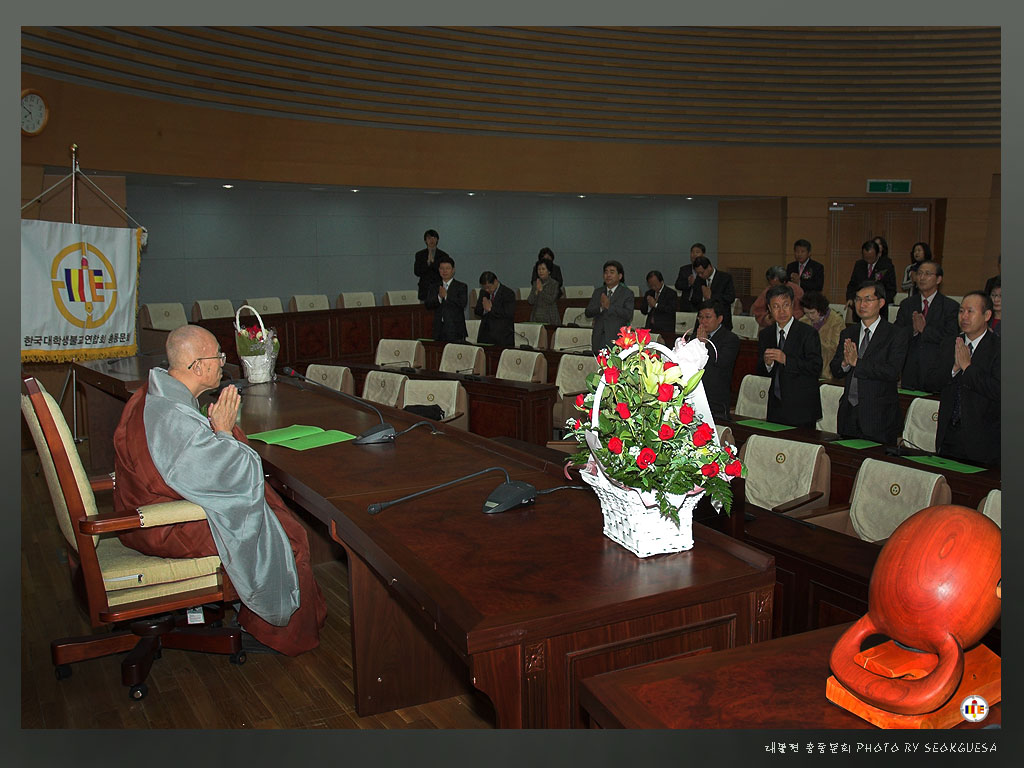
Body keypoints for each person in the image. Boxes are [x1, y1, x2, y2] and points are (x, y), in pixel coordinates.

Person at [112, 325, 326, 656]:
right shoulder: (171, 415)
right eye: (218, 356)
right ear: (197, 366)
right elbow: (233, 478)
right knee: (289, 534)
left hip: (144, 512)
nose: (223, 363)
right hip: (161, 525)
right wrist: (224, 432)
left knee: (275, 515)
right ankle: (274, 633)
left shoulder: (154, 393)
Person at [829, 281, 910, 445]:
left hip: (879, 416)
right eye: (858, 299)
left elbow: (892, 371)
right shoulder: (848, 332)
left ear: (880, 303)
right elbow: (835, 370)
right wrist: (845, 363)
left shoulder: (895, 334)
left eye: (867, 300)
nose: (861, 304)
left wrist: (857, 363)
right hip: (849, 412)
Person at [926, 292, 1000, 467]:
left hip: (983, 439)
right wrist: (954, 369)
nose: (964, 317)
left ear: (987, 315)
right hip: (948, 433)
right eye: (961, 311)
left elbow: (998, 390)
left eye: (970, 311)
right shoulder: (949, 343)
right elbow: (930, 382)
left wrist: (968, 368)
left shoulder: (998, 349)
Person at [756, 284, 822, 429]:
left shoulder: (807, 333)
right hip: (776, 406)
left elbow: (815, 367)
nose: (782, 311)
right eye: (776, 306)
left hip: (802, 407)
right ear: (769, 309)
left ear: (793, 305)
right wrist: (768, 364)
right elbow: (760, 369)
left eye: (786, 305)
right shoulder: (766, 334)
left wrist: (786, 360)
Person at [893, 260, 959, 391]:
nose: (922, 277)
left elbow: (951, 339)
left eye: (927, 274)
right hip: (910, 371)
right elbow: (896, 334)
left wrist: (925, 330)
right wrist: (913, 329)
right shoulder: (907, 304)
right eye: (919, 273)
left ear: (939, 279)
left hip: (936, 371)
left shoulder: (950, 307)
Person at [694, 299, 739, 422]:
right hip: (696, 395)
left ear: (719, 319)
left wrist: (704, 344)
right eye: (700, 317)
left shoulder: (730, 339)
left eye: (708, 317)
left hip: (717, 399)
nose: (703, 321)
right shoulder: (695, 337)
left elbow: (721, 361)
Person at [585, 260, 635, 354]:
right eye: (606, 272)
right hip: (598, 338)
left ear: (620, 276)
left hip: (617, 339)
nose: (608, 275)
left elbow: (628, 315)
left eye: (612, 272)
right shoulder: (598, 292)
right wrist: (601, 308)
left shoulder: (627, 293)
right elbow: (588, 313)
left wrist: (609, 306)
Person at [799, 291, 845, 380]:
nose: (810, 316)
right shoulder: (803, 321)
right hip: (807, 369)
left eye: (812, 313)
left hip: (828, 370)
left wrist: (815, 341)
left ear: (821, 309)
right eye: (806, 313)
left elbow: (836, 348)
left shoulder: (836, 321)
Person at [685, 255, 735, 329]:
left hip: (721, 321)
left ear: (709, 267)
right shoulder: (699, 279)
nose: (700, 275)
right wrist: (703, 298)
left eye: (702, 272)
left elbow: (730, 298)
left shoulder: (725, 278)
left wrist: (711, 296)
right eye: (698, 273)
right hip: (702, 322)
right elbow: (694, 300)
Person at [426, 255, 468, 342]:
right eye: (442, 268)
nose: (444, 271)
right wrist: (439, 297)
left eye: (447, 268)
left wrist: (446, 296)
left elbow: (462, 304)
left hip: (456, 329)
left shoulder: (461, 286)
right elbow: (428, 304)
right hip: (439, 329)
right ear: (439, 270)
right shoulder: (434, 286)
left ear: (453, 270)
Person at [846, 239, 897, 307]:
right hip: (860, 304)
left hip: (879, 307)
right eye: (866, 258)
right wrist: (850, 298)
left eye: (871, 258)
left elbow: (891, 289)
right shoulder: (859, 265)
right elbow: (852, 284)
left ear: (878, 254)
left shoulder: (886, 266)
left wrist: (879, 302)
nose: (868, 261)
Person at [474, 270, 516, 347]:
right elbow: (477, 311)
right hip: (485, 335)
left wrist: (491, 309)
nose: (487, 290)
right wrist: (485, 310)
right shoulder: (483, 292)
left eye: (489, 287)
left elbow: (508, 313)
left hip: (502, 337)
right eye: (484, 287)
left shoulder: (508, 293)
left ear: (496, 281)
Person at [414, 228, 449, 302]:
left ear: (437, 240)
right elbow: (417, 272)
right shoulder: (419, 255)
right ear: (425, 240)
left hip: (438, 288)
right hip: (424, 289)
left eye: (434, 238)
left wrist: (432, 263)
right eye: (429, 238)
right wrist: (428, 263)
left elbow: (445, 272)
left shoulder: (443, 255)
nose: (432, 240)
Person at [640, 270, 678, 338]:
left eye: (655, 284)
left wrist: (656, 305)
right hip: (650, 327)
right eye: (651, 285)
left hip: (665, 328)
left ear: (662, 281)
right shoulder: (649, 293)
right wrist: (649, 305)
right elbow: (643, 310)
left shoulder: (671, 293)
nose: (653, 287)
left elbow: (671, 310)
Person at [527, 259, 561, 325]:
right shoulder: (535, 283)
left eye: (543, 269)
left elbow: (551, 300)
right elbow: (530, 301)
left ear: (549, 271)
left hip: (550, 317)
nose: (541, 271)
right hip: (536, 317)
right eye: (539, 269)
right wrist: (536, 291)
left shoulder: (554, 284)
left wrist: (541, 291)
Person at [674, 242, 706, 311]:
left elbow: (708, 287)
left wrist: (695, 283)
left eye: (697, 252)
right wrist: (688, 283)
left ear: (703, 255)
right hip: (686, 304)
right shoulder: (684, 269)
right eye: (692, 252)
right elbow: (677, 285)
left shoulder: (706, 271)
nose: (694, 255)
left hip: (701, 305)